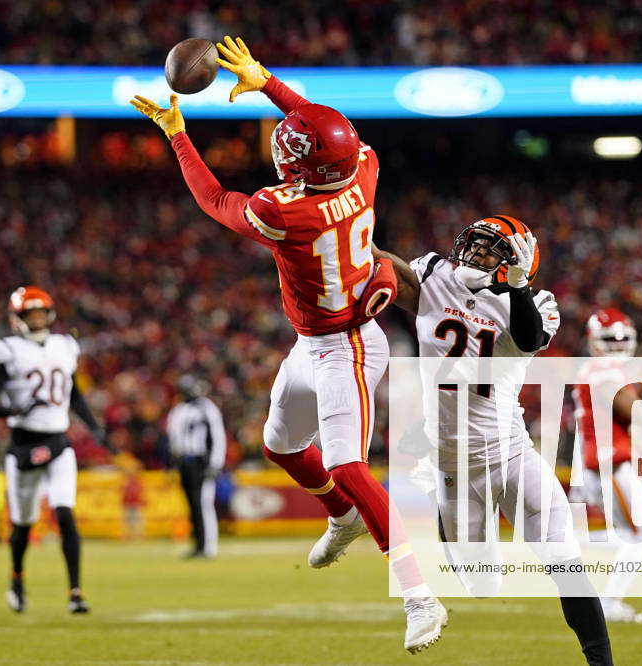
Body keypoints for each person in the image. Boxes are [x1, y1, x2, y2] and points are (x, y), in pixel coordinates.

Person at [129, 36, 446, 653]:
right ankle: (341, 516)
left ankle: (418, 594)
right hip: (316, 341)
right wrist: (268, 82)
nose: (285, 149)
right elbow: (330, 130)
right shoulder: (365, 168)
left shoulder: (284, 212)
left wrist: (177, 135)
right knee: (279, 444)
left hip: (348, 346)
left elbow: (217, 200)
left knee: (348, 465)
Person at [376, 216, 614, 666]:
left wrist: (519, 288)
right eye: (476, 244)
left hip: (510, 453)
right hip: (454, 465)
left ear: (516, 265)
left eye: (490, 250)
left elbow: (528, 338)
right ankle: (443, 507)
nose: (476, 253)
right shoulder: (434, 273)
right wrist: (352, 239)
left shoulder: (536, 301)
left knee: (566, 562)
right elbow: (394, 277)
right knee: (483, 586)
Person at [0, 286, 110, 615]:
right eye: (30, 314)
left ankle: (75, 592)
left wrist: (93, 426)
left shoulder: (64, 346)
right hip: (23, 444)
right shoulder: (7, 350)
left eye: (40, 313)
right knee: (23, 523)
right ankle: (17, 579)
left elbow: (74, 394)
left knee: (65, 513)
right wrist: (17, 408)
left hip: (58, 441)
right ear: (17, 318)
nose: (36, 319)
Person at [572, 308, 642, 624]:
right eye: (611, 339)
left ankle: (564, 542)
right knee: (641, 535)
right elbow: (638, 414)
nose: (617, 345)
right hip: (609, 463)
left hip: (605, 461)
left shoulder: (596, 369)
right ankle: (608, 603)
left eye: (621, 338)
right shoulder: (604, 372)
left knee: (632, 535)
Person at [166, 375, 227, 558]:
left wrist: (216, 462)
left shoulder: (206, 408)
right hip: (185, 462)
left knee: (203, 503)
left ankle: (208, 547)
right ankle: (198, 544)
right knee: (192, 505)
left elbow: (217, 436)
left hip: (202, 460)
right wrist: (173, 464)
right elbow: (174, 440)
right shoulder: (178, 410)